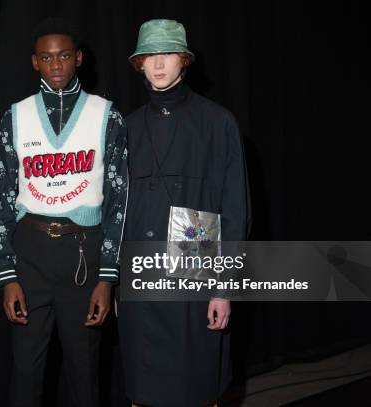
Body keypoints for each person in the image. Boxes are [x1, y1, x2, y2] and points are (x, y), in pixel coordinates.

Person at [0, 17, 128, 407]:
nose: (56, 65)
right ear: (35, 62)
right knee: (25, 374)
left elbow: (119, 201)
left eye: (64, 56)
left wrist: (108, 277)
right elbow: (0, 200)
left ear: (78, 58)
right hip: (30, 256)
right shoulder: (13, 117)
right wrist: (6, 275)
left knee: (85, 373)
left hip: (83, 257)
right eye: (47, 58)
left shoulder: (107, 116)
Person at [118, 19, 251, 407]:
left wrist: (223, 288)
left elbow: (235, 209)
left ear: (185, 61)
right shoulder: (125, 128)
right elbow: (118, 211)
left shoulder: (218, 122)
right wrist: (114, 280)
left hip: (194, 272)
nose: (159, 65)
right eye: (150, 57)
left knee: (195, 385)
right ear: (139, 64)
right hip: (141, 277)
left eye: (168, 55)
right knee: (144, 388)